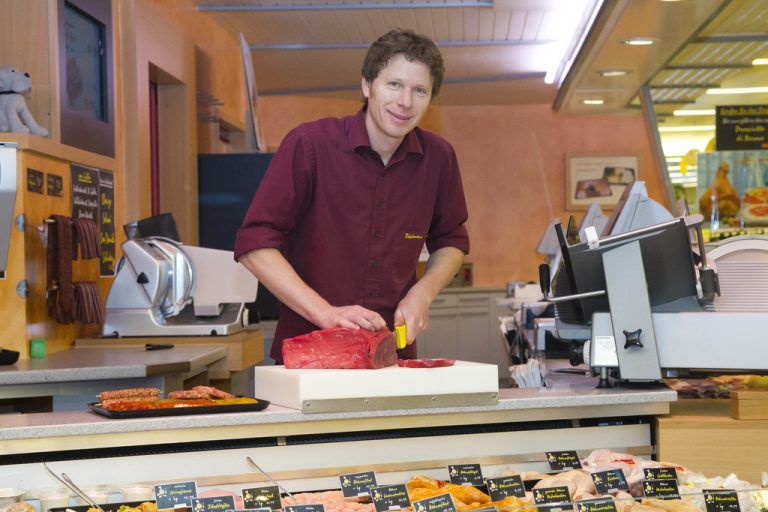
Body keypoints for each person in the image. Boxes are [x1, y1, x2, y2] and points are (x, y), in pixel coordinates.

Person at [234, 28, 469, 363]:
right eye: (394, 85)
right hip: (309, 354)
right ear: (366, 86)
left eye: (419, 90)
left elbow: (451, 240)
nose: (405, 101)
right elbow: (254, 245)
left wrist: (422, 293)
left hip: (391, 356)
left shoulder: (439, 158)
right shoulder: (309, 145)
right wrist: (326, 314)